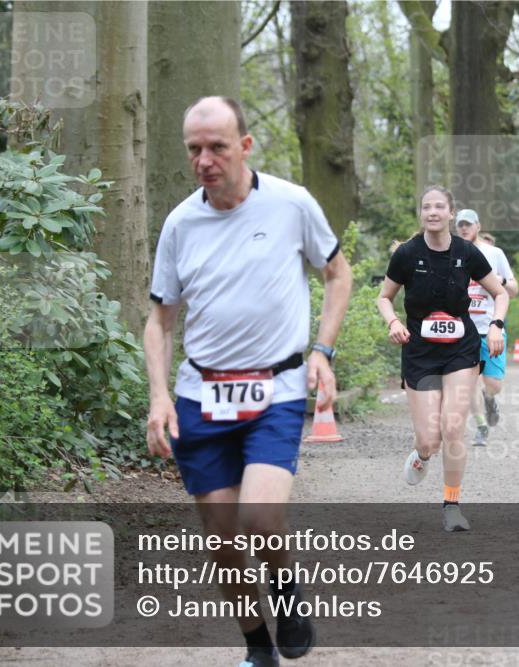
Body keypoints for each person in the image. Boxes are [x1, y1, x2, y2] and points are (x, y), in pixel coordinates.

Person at [144, 96, 352, 667]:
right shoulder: (181, 223)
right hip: (200, 396)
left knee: (260, 522)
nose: (205, 159)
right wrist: (160, 395)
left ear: (245, 145)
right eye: (194, 149)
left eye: (216, 146)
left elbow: (338, 274)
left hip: (275, 390)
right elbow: (160, 319)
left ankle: (285, 588)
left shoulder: (291, 204)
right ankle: (257, 646)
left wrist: (323, 351)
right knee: (223, 540)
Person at [376, 186, 508, 532]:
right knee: (430, 440)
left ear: (451, 213)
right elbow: (384, 297)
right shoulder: (406, 254)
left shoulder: (467, 252)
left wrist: (496, 324)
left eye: (439, 207)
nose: (432, 212)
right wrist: (393, 322)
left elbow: (500, 293)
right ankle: (421, 455)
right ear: (421, 214)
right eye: (426, 207)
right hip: (419, 352)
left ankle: (452, 504)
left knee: (453, 428)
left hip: (460, 351)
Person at [454, 209, 519, 446]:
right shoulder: (451, 253)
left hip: (490, 328)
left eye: (468, 225)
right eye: (460, 225)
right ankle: (481, 426)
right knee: (469, 381)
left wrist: (497, 280)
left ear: (478, 226)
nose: (463, 229)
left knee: (492, 385)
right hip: (462, 330)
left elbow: (513, 289)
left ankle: (489, 398)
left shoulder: (494, 253)